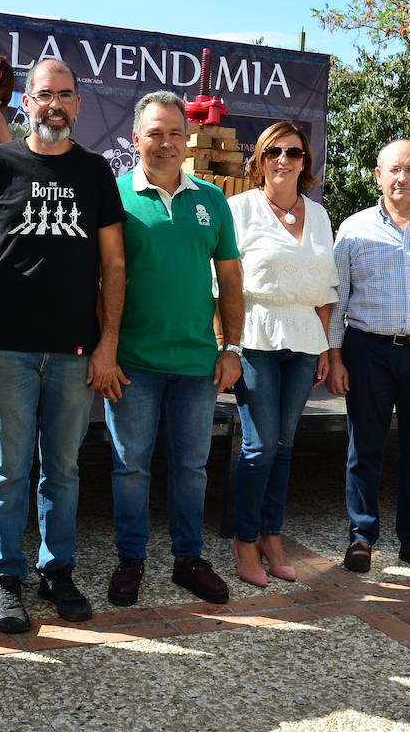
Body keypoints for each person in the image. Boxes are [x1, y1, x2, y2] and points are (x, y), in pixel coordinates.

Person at [0, 59, 126, 632]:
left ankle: (58, 571)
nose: (54, 105)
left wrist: (107, 345)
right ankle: (7, 577)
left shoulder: (96, 172)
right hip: (5, 347)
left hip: (74, 352)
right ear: (25, 103)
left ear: (78, 104)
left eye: (65, 95)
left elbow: (113, 263)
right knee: (8, 468)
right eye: (44, 95)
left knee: (63, 467)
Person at [105, 91, 243, 607]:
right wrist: (106, 349)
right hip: (132, 362)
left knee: (191, 466)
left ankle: (189, 560)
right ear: (136, 138)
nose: (165, 143)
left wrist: (232, 348)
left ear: (188, 141)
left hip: (196, 363)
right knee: (130, 466)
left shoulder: (210, 200)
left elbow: (231, 279)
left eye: (174, 134)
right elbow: (101, 280)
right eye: (155, 133)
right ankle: (131, 560)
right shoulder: (114, 196)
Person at [327, 139, 410, 578]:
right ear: (378, 176)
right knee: (363, 446)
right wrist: (335, 355)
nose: (401, 177)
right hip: (368, 349)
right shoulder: (353, 229)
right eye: (393, 170)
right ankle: (362, 536)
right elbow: (337, 297)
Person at [227, 121, 336, 586]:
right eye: (274, 151)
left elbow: (326, 289)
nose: (283, 160)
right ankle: (244, 539)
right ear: (261, 159)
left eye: (293, 153)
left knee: (286, 445)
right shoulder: (240, 208)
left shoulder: (321, 215)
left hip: (306, 340)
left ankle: (272, 535)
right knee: (258, 446)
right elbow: (225, 284)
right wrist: (225, 344)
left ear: (304, 162)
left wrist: (326, 347)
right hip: (255, 336)